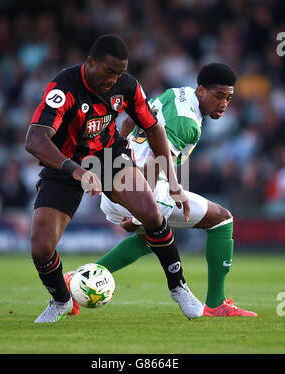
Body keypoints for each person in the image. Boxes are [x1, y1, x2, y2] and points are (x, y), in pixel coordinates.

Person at [25, 34, 203, 323]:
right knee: (41, 249)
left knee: (151, 214)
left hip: (109, 159)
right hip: (65, 165)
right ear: (91, 62)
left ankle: (179, 286)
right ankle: (61, 300)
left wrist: (174, 183)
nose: (114, 79)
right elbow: (34, 139)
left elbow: (154, 128)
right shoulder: (63, 87)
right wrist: (78, 171)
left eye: (119, 72)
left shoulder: (127, 85)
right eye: (109, 71)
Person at [75, 63, 255, 318]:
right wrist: (139, 213)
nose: (224, 104)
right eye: (218, 96)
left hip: (116, 182)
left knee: (150, 240)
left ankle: (75, 280)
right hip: (141, 189)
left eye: (229, 98)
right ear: (201, 90)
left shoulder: (174, 94)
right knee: (222, 220)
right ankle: (216, 304)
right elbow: (155, 162)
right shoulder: (187, 122)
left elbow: (127, 122)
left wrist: (113, 162)